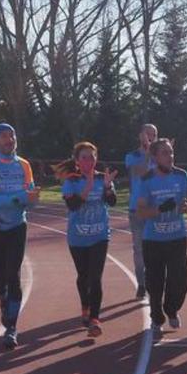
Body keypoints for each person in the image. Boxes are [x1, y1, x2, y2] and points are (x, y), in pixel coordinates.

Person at [0, 123, 41, 350]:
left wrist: (32, 198)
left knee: (13, 275)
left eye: (12, 135)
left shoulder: (24, 165)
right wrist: (20, 196)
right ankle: (2, 293)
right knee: (0, 278)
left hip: (16, 226)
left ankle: (11, 328)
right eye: (4, 136)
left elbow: (30, 198)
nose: (9, 140)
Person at [59, 142, 118, 337]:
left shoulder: (103, 178)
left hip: (100, 235)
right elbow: (73, 205)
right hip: (78, 237)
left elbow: (112, 201)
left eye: (92, 157)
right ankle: (85, 304)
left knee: (95, 277)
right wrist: (88, 187)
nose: (89, 161)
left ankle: (94, 319)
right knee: (83, 276)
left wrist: (108, 186)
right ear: (77, 161)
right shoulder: (71, 180)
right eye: (84, 157)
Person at [134, 138, 187, 333]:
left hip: (177, 237)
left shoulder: (182, 176)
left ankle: (171, 308)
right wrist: (158, 209)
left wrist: (185, 207)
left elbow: (186, 203)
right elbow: (140, 212)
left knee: (180, 280)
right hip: (153, 240)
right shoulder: (147, 179)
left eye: (171, 152)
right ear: (156, 157)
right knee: (155, 282)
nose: (170, 157)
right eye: (165, 153)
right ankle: (157, 314)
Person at [124, 124, 157, 300]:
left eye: (154, 135)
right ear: (140, 136)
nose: (151, 138)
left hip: (155, 209)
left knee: (155, 247)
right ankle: (142, 284)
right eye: (148, 134)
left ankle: (154, 282)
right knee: (139, 249)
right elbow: (140, 172)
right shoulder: (132, 156)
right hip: (136, 209)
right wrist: (147, 154)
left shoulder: (159, 156)